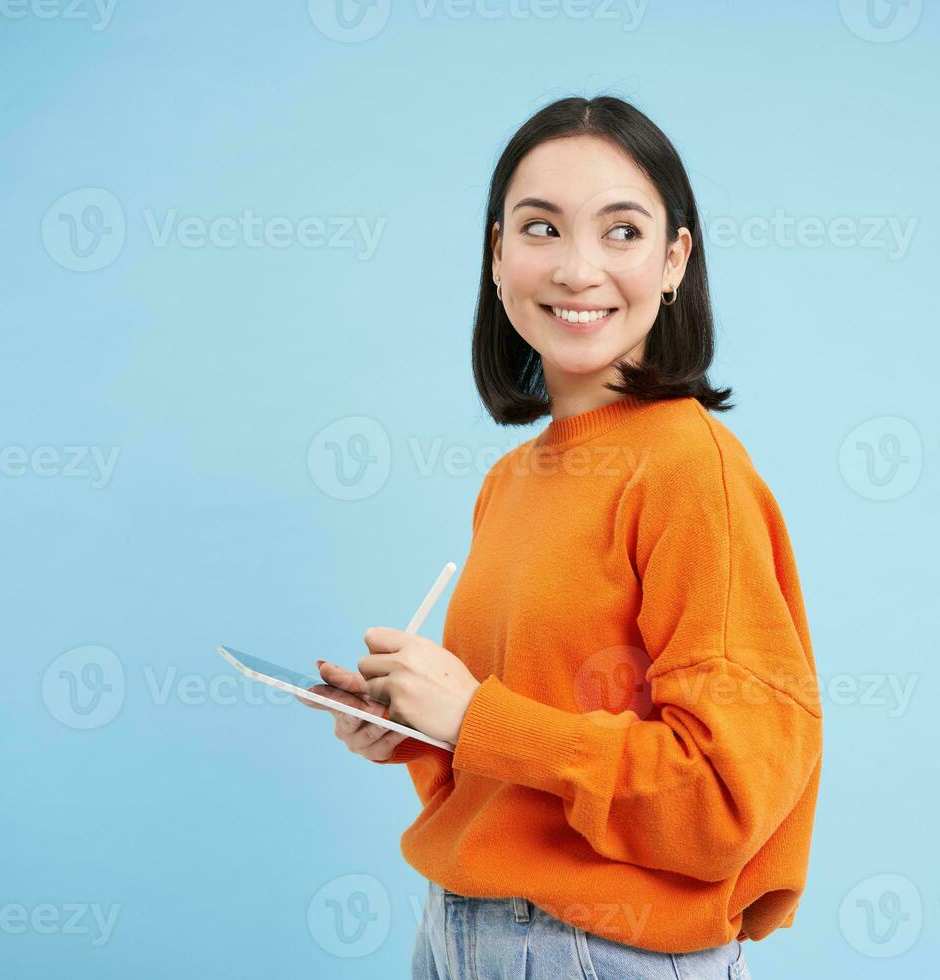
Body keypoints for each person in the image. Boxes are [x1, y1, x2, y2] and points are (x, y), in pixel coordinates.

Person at [305, 95, 822, 980]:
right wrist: (425, 731)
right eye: (540, 228)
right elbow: (530, 761)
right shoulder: (510, 482)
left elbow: (723, 801)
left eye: (621, 232)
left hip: (603, 950)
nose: (578, 269)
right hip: (458, 932)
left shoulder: (693, 471)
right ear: (497, 255)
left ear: (674, 261)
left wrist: (478, 718)